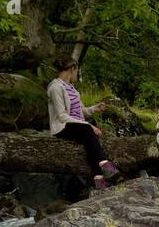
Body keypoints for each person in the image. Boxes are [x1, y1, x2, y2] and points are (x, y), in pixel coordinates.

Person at [47, 57, 121, 189]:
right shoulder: (55, 87)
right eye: (77, 71)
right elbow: (62, 116)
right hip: (62, 127)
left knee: (91, 141)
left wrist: (94, 108)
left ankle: (100, 182)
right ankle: (107, 168)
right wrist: (88, 125)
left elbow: (80, 111)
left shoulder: (71, 88)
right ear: (72, 69)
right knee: (88, 131)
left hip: (77, 126)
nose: (77, 74)